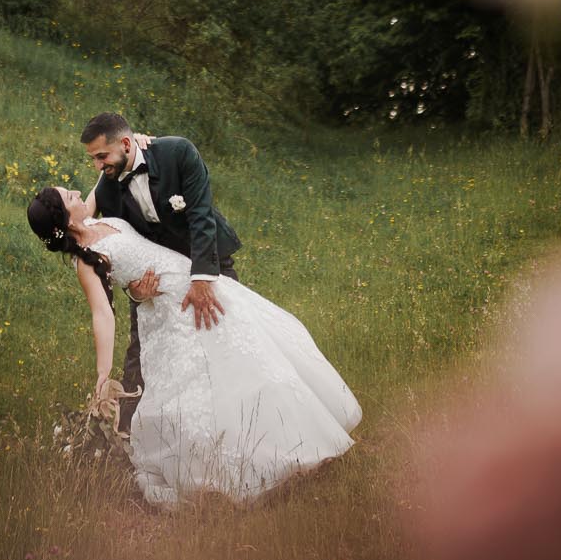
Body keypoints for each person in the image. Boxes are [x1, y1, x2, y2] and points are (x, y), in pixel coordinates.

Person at [24, 183, 361, 506]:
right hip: (170, 314)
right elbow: (102, 314)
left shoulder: (97, 219)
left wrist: (134, 142)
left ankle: (298, 443)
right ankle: (235, 471)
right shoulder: (85, 261)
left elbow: (105, 171)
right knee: (199, 389)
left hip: (193, 284)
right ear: (65, 218)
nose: (78, 192)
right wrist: (102, 374)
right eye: (70, 196)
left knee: (251, 355)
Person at [79, 112, 241, 433]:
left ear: (126, 143)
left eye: (101, 156)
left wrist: (201, 279)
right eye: (93, 159)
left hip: (207, 261)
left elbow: (201, 214)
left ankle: (235, 419)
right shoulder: (108, 188)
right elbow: (119, 249)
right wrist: (135, 291)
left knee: (227, 333)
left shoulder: (178, 153)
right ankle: (125, 433)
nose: (98, 166)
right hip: (155, 279)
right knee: (141, 350)